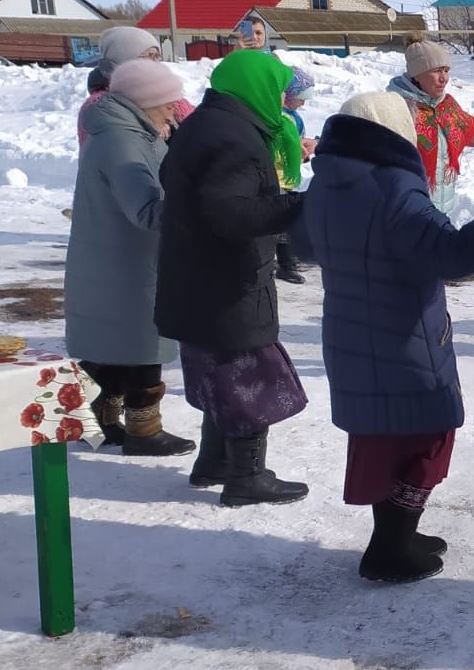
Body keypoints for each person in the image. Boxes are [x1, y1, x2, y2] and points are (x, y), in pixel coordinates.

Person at [304, 91, 474, 583]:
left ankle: (396, 536)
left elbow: (304, 242)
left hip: (352, 336)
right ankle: (389, 549)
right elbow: (451, 254)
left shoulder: (328, 181)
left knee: (382, 439)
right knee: (423, 440)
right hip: (402, 337)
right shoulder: (393, 187)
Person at [155, 49, 310, 507]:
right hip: (227, 282)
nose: (281, 99)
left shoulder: (205, 124)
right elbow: (231, 213)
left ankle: (214, 462)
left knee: (217, 371)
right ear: (256, 87)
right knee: (249, 377)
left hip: (196, 276)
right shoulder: (234, 139)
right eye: (277, 89)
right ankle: (247, 477)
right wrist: (300, 204)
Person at [64, 58, 197, 456]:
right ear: (147, 101)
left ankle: (98, 418)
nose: (175, 109)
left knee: (117, 344)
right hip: (129, 264)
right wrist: (198, 200)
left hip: (118, 260)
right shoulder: (124, 141)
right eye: (169, 102)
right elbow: (146, 211)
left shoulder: (128, 132)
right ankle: (143, 430)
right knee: (142, 342)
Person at [387, 35, 474, 214]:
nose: (444, 78)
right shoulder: (395, 108)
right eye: (437, 71)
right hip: (408, 212)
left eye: (446, 70)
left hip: (443, 211)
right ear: (416, 73)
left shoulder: (447, 107)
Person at [77, 27, 194, 151]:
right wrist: (154, 131)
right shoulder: (98, 106)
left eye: (157, 57)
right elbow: (114, 149)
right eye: (149, 56)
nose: (155, 64)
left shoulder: (167, 96)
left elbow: (198, 123)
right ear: (124, 61)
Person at [274, 67, 316, 286]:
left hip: (289, 176)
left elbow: (296, 142)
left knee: (288, 219)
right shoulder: (276, 116)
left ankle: (288, 259)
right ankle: (286, 264)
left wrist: (304, 152)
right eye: (301, 98)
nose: (303, 103)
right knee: (282, 222)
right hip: (277, 176)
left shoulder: (294, 118)